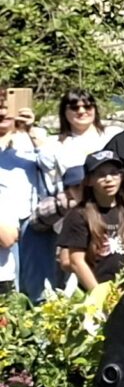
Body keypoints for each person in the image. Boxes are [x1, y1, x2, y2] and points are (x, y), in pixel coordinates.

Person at [58, 149, 124, 291]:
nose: (109, 179)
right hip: (96, 290)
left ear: (121, 177)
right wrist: (99, 294)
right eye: (101, 175)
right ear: (89, 180)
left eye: (114, 173)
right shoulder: (79, 215)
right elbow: (76, 261)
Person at [1, 104, 54, 296]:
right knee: (10, 284)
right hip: (4, 224)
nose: (3, 113)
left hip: (34, 219)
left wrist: (31, 130)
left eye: (7, 107)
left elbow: (52, 164)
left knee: (40, 284)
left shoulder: (31, 137)